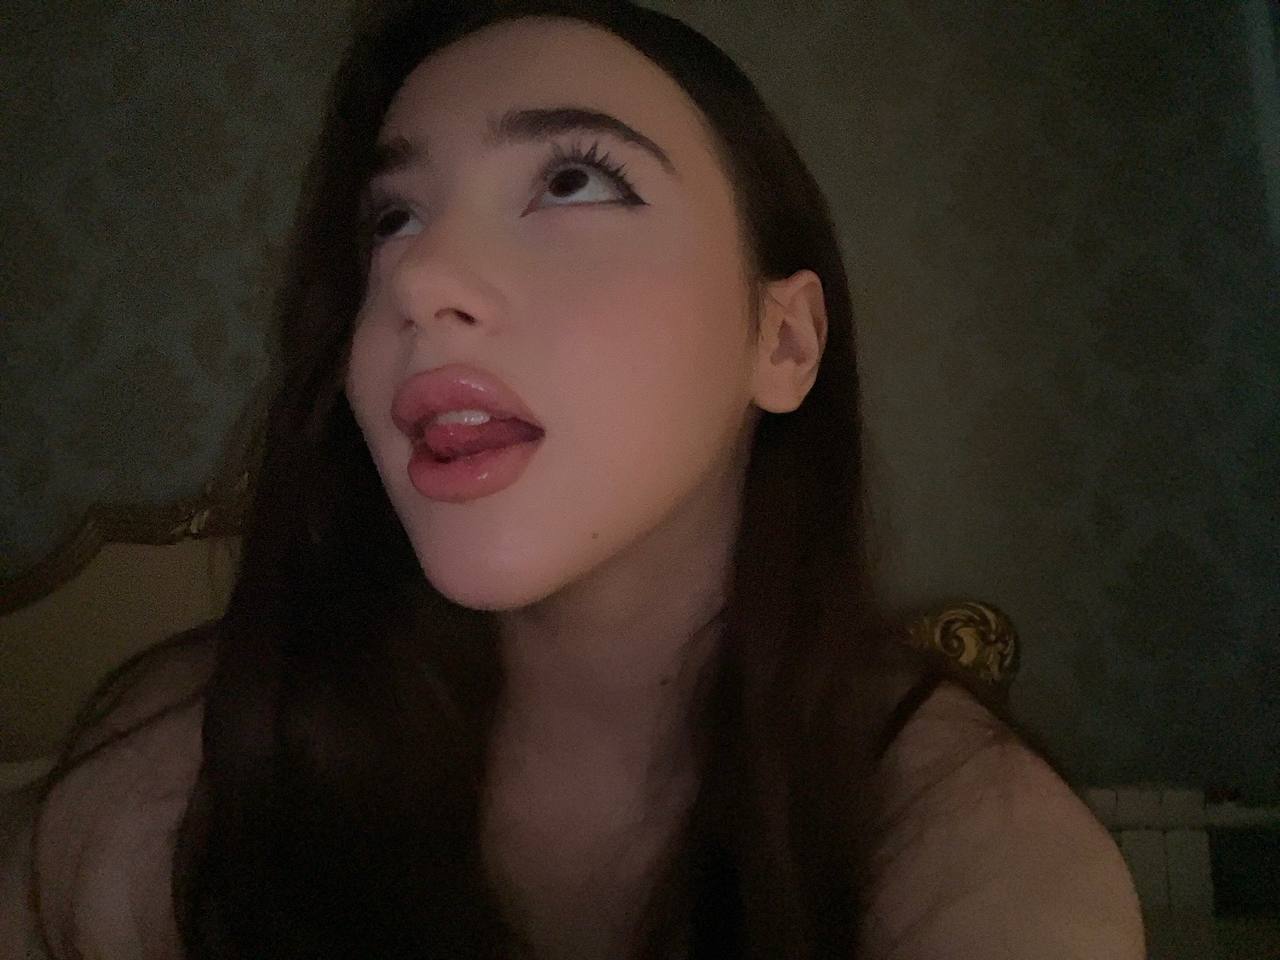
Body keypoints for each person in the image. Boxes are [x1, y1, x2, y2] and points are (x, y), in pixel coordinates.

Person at [0, 1, 1145, 957]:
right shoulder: (182, 776)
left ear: (783, 341)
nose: (419, 278)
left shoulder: (970, 848)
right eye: (392, 219)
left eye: (572, 180)